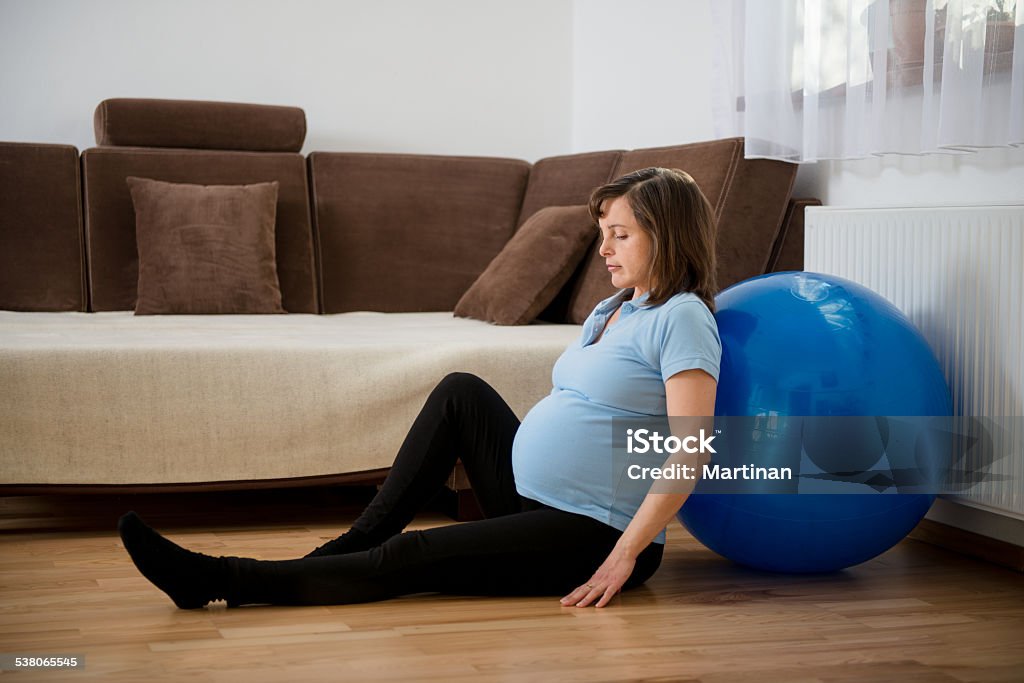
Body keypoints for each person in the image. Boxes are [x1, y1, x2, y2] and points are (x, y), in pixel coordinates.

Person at [117, 166, 722, 610]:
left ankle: (220, 579)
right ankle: (355, 541)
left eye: (620, 234)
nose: (603, 247)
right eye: (603, 231)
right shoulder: (616, 307)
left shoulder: (682, 317)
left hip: (593, 532)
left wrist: (624, 554)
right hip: (533, 501)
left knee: (412, 559)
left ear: (664, 235)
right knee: (460, 390)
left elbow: (690, 451)